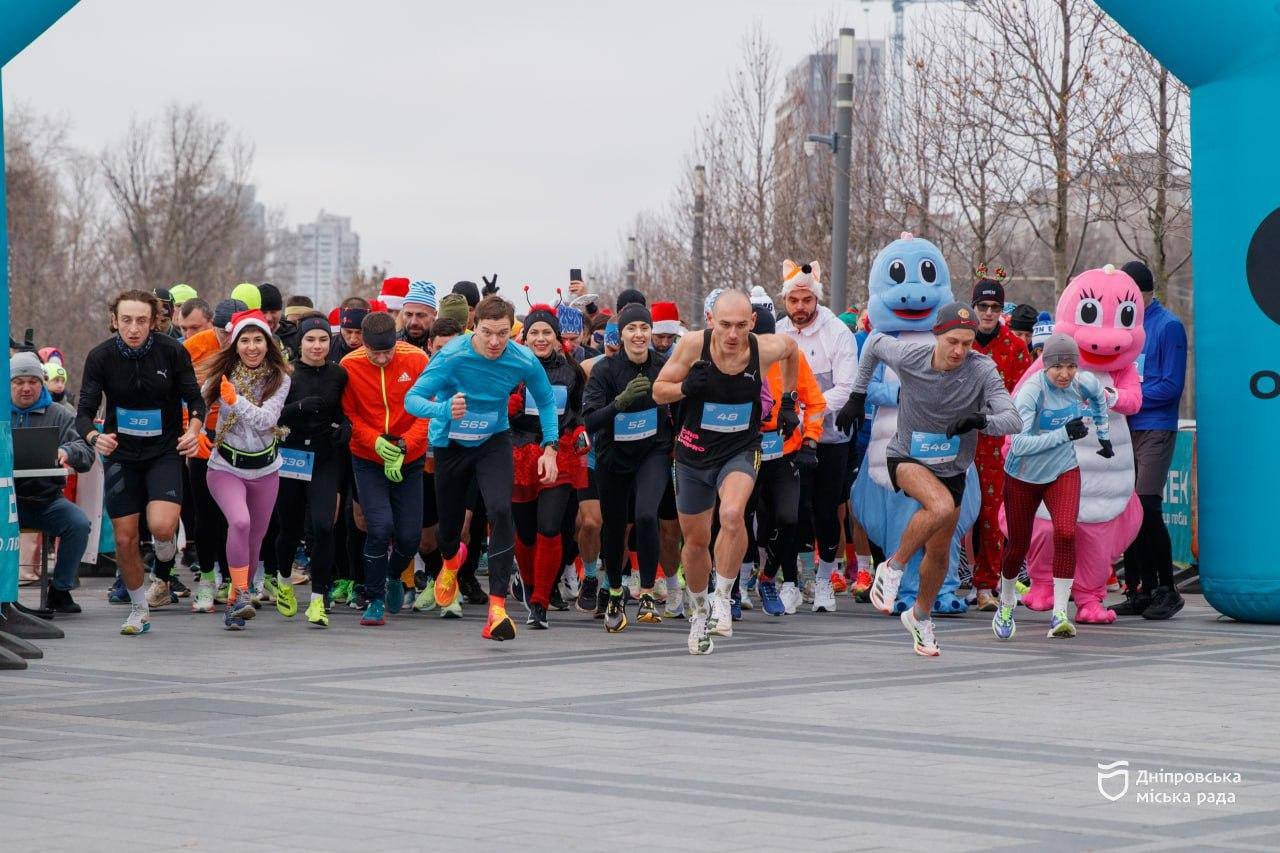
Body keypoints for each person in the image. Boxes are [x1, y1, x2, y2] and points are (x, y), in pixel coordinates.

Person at [839, 302, 1020, 656]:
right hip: (906, 456)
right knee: (939, 505)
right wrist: (857, 395)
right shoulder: (910, 356)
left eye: (967, 344)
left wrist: (981, 421)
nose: (959, 351)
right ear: (937, 334)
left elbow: (1013, 419)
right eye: (953, 341)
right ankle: (892, 568)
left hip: (951, 468)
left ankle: (920, 616)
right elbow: (874, 342)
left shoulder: (981, 371)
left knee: (939, 553)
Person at [405, 295, 560, 642]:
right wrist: (444, 409)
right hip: (451, 443)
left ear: (512, 331)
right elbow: (412, 399)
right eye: (487, 332)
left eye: (502, 333)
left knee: (502, 512)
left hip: (493, 440)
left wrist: (550, 446)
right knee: (449, 530)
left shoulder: (522, 358)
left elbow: (546, 400)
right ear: (474, 327)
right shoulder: (452, 355)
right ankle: (449, 562)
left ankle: (497, 609)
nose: (494, 342)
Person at [653, 289, 800, 655]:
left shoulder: (762, 349)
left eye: (739, 325)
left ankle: (723, 594)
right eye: (724, 326)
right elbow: (657, 391)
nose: (732, 335)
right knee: (697, 542)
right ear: (710, 322)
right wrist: (685, 387)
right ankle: (700, 609)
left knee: (733, 514)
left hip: (740, 449)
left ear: (752, 322)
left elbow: (791, 351)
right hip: (693, 454)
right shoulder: (690, 346)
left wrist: (788, 401)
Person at [78, 289, 205, 635]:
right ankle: (139, 608)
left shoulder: (172, 352)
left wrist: (193, 430)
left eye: (142, 321)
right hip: (121, 454)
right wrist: (94, 437)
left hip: (163, 451)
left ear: (154, 322)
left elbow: (195, 401)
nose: (134, 328)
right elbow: (84, 414)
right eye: (127, 320)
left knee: (163, 527)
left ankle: (163, 570)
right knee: (125, 540)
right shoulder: (100, 357)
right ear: (114, 321)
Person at [994, 333, 1110, 641]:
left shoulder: (1079, 384)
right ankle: (1005, 602)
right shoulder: (1032, 391)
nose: (1064, 373)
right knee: (1018, 544)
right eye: (1058, 366)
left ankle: (1060, 612)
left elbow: (1100, 397)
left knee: (1066, 532)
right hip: (1023, 475)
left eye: (1071, 366)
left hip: (1063, 470)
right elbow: (1017, 444)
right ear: (1045, 366)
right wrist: (1063, 435)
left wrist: (1104, 433)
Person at [194, 310, 291, 630]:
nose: (252, 347)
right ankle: (245, 593)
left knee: (254, 541)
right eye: (245, 340)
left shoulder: (280, 378)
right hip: (226, 467)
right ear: (235, 345)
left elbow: (266, 420)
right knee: (239, 521)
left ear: (268, 343)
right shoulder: (221, 376)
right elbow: (196, 405)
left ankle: (237, 601)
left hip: (265, 469)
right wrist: (195, 434)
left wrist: (235, 400)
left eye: (258, 340)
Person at [581, 302, 673, 631]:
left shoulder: (664, 365)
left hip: (653, 451)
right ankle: (616, 590)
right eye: (631, 329)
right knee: (615, 525)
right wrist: (618, 404)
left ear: (651, 332)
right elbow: (590, 420)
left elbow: (683, 400)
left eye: (644, 329)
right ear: (620, 335)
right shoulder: (606, 370)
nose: (638, 335)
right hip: (613, 456)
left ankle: (647, 591)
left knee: (647, 514)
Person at [775, 260, 859, 611]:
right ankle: (791, 582)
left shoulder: (837, 332)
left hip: (830, 438)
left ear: (816, 299)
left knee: (826, 511)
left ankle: (824, 580)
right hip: (791, 440)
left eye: (806, 300)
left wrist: (811, 409)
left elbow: (847, 386)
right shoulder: (778, 334)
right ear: (785, 301)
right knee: (792, 511)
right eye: (794, 300)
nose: (800, 307)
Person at [340, 311, 430, 626]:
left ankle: (394, 576)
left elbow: (427, 410)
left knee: (409, 536)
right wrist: (375, 441)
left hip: (410, 456)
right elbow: (349, 414)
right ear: (363, 345)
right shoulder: (350, 365)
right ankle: (374, 597)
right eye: (374, 352)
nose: (380, 358)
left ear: (396, 342)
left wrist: (405, 445)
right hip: (368, 458)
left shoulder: (416, 359)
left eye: (387, 352)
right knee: (379, 528)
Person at [509, 301, 588, 628]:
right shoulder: (510, 368)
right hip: (518, 452)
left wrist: (581, 431)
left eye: (547, 333)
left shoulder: (572, 371)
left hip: (558, 452)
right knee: (525, 533)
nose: (540, 338)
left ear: (558, 338)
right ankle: (529, 586)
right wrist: (509, 404)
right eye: (534, 333)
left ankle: (541, 599)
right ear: (525, 338)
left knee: (550, 526)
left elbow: (579, 411)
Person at [1119, 260, 1189, 620]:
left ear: (1144, 293)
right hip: (1126, 427)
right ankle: (1138, 589)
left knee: (1146, 504)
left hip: (1156, 426)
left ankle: (1167, 587)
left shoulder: (1169, 326)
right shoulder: (1126, 325)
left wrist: (1128, 395)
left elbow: (1171, 386)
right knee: (1126, 509)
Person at [749, 307, 826, 617]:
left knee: (788, 518)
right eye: (758, 340)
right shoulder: (737, 360)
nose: (765, 346)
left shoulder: (789, 359)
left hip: (785, 454)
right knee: (739, 519)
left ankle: (768, 578)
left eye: (769, 339)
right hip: (747, 453)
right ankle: (734, 585)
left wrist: (810, 440)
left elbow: (817, 403)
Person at [274, 312, 349, 627]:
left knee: (322, 526)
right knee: (288, 528)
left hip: (324, 457)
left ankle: (318, 600)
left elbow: (347, 411)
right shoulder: (285, 374)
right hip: (291, 456)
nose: (317, 346)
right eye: (310, 339)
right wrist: (297, 408)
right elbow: (270, 416)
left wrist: (346, 427)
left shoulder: (339, 374)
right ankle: (283, 583)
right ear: (300, 342)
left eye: (322, 339)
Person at [968, 275, 1033, 611]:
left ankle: (985, 584)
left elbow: (1023, 396)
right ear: (974, 307)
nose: (989, 313)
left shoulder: (1016, 347)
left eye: (995, 307)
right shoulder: (961, 340)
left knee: (993, 516)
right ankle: (949, 581)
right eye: (983, 306)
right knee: (956, 512)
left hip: (998, 441)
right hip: (961, 438)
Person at [11, 352, 94, 613]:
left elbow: (86, 452)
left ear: (43, 382)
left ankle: (60, 590)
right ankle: (6, 595)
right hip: (7, 504)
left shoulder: (59, 414)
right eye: (19, 381)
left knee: (78, 524)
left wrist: (67, 451)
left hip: (47, 500)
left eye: (33, 381)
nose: (26, 388)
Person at [399, 280, 438, 350]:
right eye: (409, 315)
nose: (414, 322)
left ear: (434, 315)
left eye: (421, 315)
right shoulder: (391, 346)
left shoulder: (442, 346)